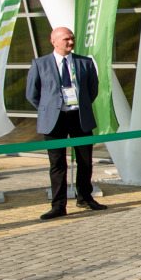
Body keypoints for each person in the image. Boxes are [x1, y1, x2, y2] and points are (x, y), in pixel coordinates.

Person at [25, 26, 105, 221]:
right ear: (54, 42)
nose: (70, 42)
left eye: (72, 38)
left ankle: (85, 198)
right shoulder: (40, 64)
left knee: (85, 161)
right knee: (57, 163)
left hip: (79, 117)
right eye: (66, 39)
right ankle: (58, 205)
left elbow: (92, 90)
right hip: (55, 119)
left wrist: (79, 105)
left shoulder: (85, 63)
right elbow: (32, 94)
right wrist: (49, 108)